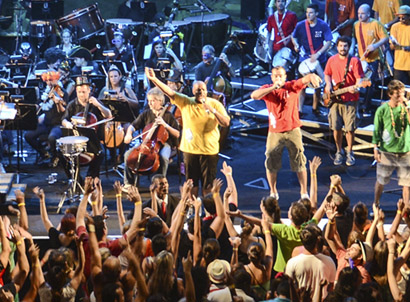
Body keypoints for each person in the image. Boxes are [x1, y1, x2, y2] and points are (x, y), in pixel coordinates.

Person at [145, 67, 230, 197]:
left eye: (203, 89)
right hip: (190, 151)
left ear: (206, 91)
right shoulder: (186, 102)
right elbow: (170, 93)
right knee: (192, 185)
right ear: (193, 91)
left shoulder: (215, 104)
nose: (200, 92)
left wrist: (212, 110)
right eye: (197, 90)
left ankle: (208, 212)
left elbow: (225, 122)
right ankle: (192, 210)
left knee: (208, 186)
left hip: (209, 151)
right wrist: (154, 79)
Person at [250, 66, 322, 199]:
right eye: (275, 76)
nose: (278, 78)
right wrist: (273, 88)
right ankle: (273, 192)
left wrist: (311, 76)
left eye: (280, 76)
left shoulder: (291, 86)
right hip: (275, 132)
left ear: (285, 77)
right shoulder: (268, 89)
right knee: (271, 162)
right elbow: (254, 95)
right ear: (272, 78)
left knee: (299, 160)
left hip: (292, 129)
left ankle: (304, 192)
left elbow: (303, 80)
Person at [123, 87, 179, 186]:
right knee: (128, 155)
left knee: (163, 157)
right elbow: (133, 125)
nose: (150, 103)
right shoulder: (146, 113)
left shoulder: (168, 115)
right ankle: (128, 184)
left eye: (153, 101)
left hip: (164, 144)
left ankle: (160, 183)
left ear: (160, 101)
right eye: (149, 101)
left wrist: (165, 125)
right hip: (146, 143)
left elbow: (177, 133)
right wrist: (128, 134)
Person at [324, 36, 365, 166]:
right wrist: (328, 85)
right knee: (336, 128)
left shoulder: (354, 61)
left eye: (345, 46)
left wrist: (356, 88)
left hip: (350, 100)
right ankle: (338, 151)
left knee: (350, 128)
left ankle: (350, 152)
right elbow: (327, 74)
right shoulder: (331, 59)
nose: (343, 48)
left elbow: (360, 79)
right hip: (335, 101)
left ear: (349, 47)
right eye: (341, 46)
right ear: (337, 47)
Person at [61, 76, 112, 178]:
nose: (81, 95)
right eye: (79, 92)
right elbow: (64, 120)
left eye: (84, 92)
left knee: (99, 153)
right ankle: (76, 178)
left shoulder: (95, 103)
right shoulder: (72, 104)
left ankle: (92, 177)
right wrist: (68, 124)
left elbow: (108, 115)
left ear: (89, 91)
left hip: (92, 139)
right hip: (76, 139)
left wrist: (98, 105)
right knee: (62, 153)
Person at [373, 80, 410, 207]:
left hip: (405, 151)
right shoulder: (382, 110)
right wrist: (375, 148)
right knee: (381, 180)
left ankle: (406, 209)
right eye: (398, 94)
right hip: (387, 151)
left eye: (402, 94)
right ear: (390, 94)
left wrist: (407, 106)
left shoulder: (405, 109)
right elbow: (377, 129)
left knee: (407, 184)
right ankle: (376, 204)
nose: (401, 97)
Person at [292, 4, 332, 117]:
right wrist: (296, 45)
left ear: (317, 14)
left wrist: (319, 53)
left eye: (311, 12)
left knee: (318, 85)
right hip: (305, 58)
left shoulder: (323, 25)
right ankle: (299, 109)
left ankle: (315, 108)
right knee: (302, 85)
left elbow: (329, 41)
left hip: (319, 59)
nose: (308, 15)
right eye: (307, 12)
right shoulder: (301, 25)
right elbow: (293, 36)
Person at [351, 4, 388, 113]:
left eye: (362, 14)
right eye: (358, 14)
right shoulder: (356, 25)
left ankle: (366, 106)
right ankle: (357, 104)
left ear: (368, 14)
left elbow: (385, 38)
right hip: (361, 58)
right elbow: (354, 39)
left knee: (369, 83)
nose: (360, 16)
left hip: (373, 59)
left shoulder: (375, 24)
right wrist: (351, 50)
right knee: (358, 81)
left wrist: (375, 46)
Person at [285, 224, 336, 301]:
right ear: (317, 241)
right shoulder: (329, 261)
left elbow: (288, 286)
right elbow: (331, 288)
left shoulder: (292, 262)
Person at [25, 71, 66, 166]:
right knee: (28, 135)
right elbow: (40, 105)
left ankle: (55, 156)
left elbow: (64, 110)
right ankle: (43, 153)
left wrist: (58, 102)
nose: (49, 83)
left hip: (58, 124)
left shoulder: (62, 93)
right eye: (47, 81)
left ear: (56, 80)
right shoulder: (45, 93)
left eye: (51, 80)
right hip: (46, 123)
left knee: (52, 137)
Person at [389, 5, 410, 85]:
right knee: (398, 89)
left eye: (403, 18)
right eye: (399, 17)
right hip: (399, 65)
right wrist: (394, 44)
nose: (401, 20)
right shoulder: (395, 27)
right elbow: (391, 47)